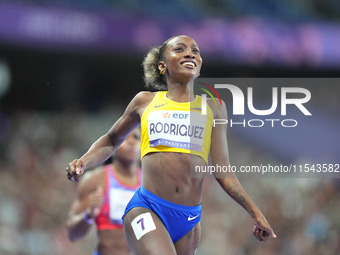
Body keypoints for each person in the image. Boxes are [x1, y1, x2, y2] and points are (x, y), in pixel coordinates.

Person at [66, 35, 276, 255]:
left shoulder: (214, 108)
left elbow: (223, 171)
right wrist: (83, 161)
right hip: (147, 208)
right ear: (162, 65)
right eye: (180, 49)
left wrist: (255, 212)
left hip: (189, 220)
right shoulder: (145, 102)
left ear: (199, 66)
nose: (190, 53)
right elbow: (111, 140)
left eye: (195, 50)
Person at [66, 129, 141, 255]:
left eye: (136, 137)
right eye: (126, 137)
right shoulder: (95, 180)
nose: (132, 142)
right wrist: (87, 216)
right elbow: (72, 234)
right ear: (113, 144)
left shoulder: (150, 183)